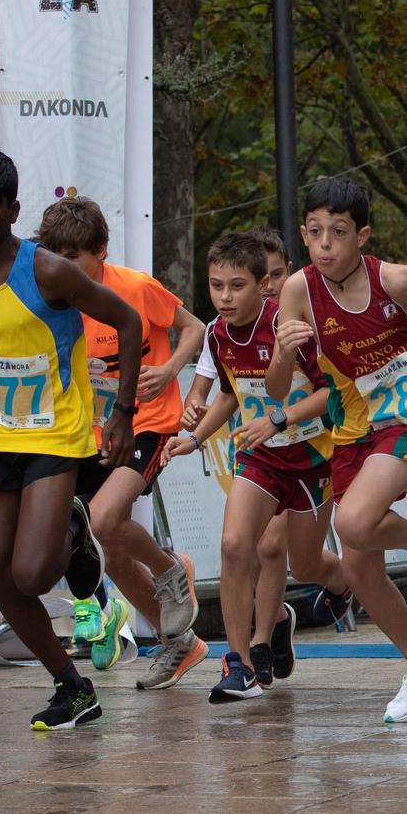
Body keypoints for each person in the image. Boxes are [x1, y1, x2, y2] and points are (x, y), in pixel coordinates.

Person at [0, 149, 141, 732]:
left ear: (12, 210)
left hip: (57, 436)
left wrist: (121, 411)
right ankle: (72, 688)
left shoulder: (47, 271)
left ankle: (73, 528)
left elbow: (129, 322)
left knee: (34, 575)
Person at [270, 176, 407, 723]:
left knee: (356, 521)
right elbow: (277, 391)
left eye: (338, 233)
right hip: (353, 422)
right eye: (315, 232)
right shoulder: (298, 291)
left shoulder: (390, 280)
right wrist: (280, 354)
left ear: (362, 236)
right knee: (361, 569)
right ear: (304, 234)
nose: (325, 245)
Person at [33, 199, 205, 682]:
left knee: (105, 518)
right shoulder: (52, 301)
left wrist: (170, 369)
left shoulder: (134, 287)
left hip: (148, 421)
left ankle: (172, 571)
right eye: (56, 255)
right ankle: (180, 643)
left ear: (101, 251)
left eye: (76, 257)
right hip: (87, 431)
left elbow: (194, 328)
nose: (65, 267)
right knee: (107, 544)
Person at [166, 232, 335, 703]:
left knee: (304, 561)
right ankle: (238, 664)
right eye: (216, 285)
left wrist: (279, 418)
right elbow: (228, 393)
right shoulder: (218, 334)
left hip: (311, 456)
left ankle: (340, 584)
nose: (223, 297)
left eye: (236, 286)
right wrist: (195, 438)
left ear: (263, 285)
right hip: (260, 455)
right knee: (236, 544)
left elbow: (330, 394)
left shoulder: (289, 325)